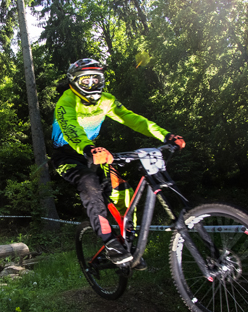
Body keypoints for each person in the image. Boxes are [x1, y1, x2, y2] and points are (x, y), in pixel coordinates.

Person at [51, 58, 186, 269]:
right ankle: (110, 242)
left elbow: (133, 119)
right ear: (74, 82)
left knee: (123, 191)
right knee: (89, 183)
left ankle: (129, 244)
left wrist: (165, 135)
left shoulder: (107, 101)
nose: (92, 85)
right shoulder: (66, 101)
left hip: (93, 151)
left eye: (96, 80)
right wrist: (88, 148)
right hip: (67, 154)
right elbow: (70, 129)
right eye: (86, 81)